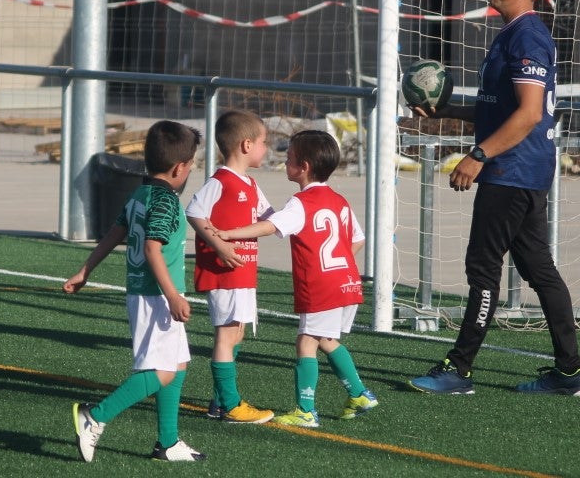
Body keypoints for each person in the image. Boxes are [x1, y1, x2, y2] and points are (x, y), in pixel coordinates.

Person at [407, 0, 580, 397]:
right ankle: (569, 372)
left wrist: (478, 155)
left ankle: (459, 368)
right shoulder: (512, 33)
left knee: (483, 269)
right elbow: (500, 108)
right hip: (519, 170)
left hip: (511, 170)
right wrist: (443, 110)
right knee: (539, 270)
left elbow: (529, 114)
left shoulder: (527, 36)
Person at [211, 129, 377, 428]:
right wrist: (341, 267)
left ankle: (306, 410)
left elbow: (268, 226)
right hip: (346, 282)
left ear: (304, 167)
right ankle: (359, 393)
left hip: (321, 286)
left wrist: (229, 234)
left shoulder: (301, 203)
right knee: (326, 339)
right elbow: (358, 239)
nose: (284, 161)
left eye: (288, 158)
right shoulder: (339, 200)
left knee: (305, 343)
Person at [64, 120, 205, 463]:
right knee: (162, 371)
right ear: (179, 168)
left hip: (144, 293)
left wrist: (85, 270)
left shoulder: (139, 193)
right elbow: (154, 249)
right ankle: (95, 416)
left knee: (179, 363)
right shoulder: (167, 202)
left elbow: (115, 234)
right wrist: (173, 295)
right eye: (192, 165)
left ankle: (168, 442)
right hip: (155, 297)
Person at [185, 110, 274, 424]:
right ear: (247, 145)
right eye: (264, 142)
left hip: (243, 273)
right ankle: (232, 404)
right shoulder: (221, 180)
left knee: (236, 335)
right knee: (226, 336)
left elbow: (271, 218)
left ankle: (219, 402)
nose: (267, 148)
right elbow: (194, 212)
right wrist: (220, 245)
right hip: (225, 274)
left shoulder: (249, 183)